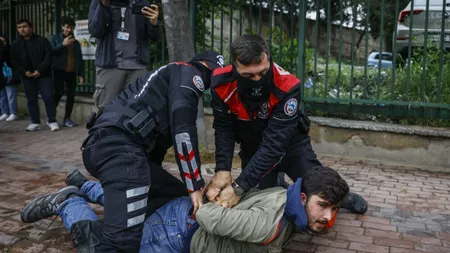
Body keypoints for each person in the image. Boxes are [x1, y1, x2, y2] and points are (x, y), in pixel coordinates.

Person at [78, 51, 224, 252]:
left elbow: (157, 145)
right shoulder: (191, 75)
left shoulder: (171, 75)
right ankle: (75, 209)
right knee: (122, 244)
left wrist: (186, 189)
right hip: (117, 150)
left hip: (110, 148)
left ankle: (88, 192)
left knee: (174, 196)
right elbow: (184, 133)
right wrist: (195, 186)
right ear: (208, 69)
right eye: (218, 76)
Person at [21, 165, 349, 253]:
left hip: (180, 215)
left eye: (333, 210)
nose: (328, 218)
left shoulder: (284, 194)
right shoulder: (270, 226)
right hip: (179, 232)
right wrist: (207, 206)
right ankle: (70, 202)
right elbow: (209, 216)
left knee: (132, 209)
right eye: (324, 207)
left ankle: (86, 184)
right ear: (303, 198)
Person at [208, 34, 367, 214]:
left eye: (262, 72)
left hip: (291, 147)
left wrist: (238, 187)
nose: (257, 80)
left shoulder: (287, 86)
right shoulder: (221, 83)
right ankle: (278, 183)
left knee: (322, 191)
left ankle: (343, 196)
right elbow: (223, 128)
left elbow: (274, 145)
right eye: (248, 75)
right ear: (235, 68)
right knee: (258, 202)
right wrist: (222, 169)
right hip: (252, 148)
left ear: (268, 57)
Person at [88, 0, 162, 109]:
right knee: (106, 112)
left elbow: (156, 37)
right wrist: (103, 6)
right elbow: (95, 31)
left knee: (135, 111)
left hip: (137, 67)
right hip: (111, 66)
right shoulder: (99, 2)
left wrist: (154, 22)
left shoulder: (142, 2)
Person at [11, 19, 58, 131]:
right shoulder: (16, 44)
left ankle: (52, 121)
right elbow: (13, 60)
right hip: (27, 76)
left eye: (24, 26)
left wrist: (40, 70)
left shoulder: (42, 41)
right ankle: (35, 122)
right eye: (19, 27)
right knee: (31, 99)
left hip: (43, 75)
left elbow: (48, 57)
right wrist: (24, 71)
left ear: (31, 27)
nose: (22, 29)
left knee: (48, 97)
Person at [50, 17, 85, 127]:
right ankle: (51, 116)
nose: (68, 30)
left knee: (71, 95)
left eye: (71, 28)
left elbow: (79, 58)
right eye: (66, 27)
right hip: (58, 71)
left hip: (72, 72)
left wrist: (81, 74)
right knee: (58, 93)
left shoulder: (75, 42)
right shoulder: (55, 39)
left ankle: (67, 119)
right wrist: (62, 44)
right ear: (62, 27)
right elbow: (50, 52)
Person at [0, 34, 17, 121]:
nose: (3, 43)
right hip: (1, 76)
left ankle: (12, 112)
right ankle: (5, 112)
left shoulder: (10, 51)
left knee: (11, 94)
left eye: (4, 41)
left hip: (9, 75)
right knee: (2, 95)